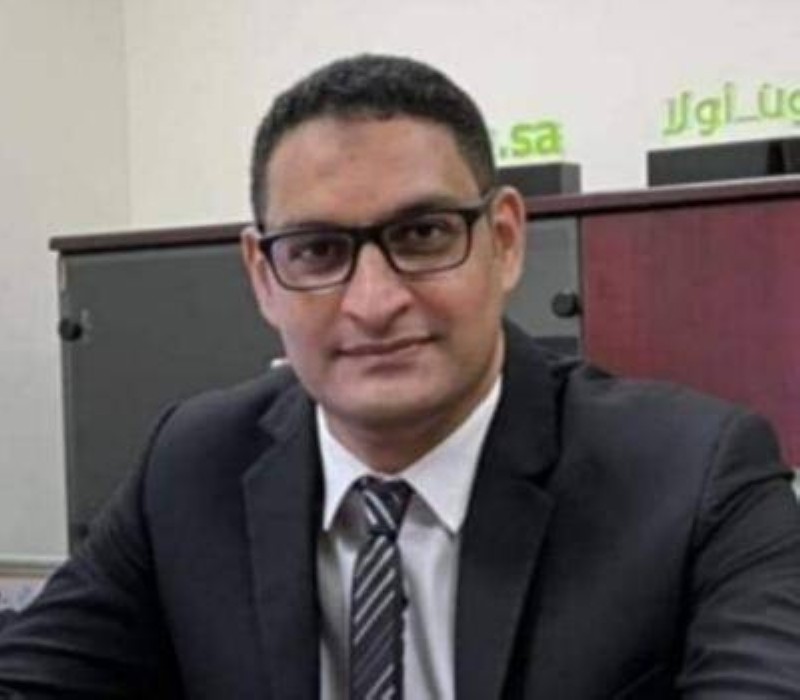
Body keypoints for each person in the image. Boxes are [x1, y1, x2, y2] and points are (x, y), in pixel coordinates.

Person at [1, 54, 799, 700]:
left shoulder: (696, 477)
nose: (374, 303)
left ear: (505, 241)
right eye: (317, 251)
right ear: (262, 276)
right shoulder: (189, 467)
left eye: (422, 235)